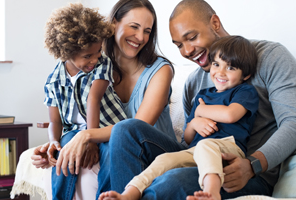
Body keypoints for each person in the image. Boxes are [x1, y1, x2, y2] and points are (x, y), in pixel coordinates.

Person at [100, 0, 296, 199]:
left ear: (215, 23)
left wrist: (253, 165)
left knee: (170, 181)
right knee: (125, 129)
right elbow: (190, 141)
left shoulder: (270, 57)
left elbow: (293, 123)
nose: (186, 51)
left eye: (191, 37)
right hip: (199, 156)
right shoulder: (194, 83)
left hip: (244, 171)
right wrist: (194, 123)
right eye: (179, 46)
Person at [31, 0, 177, 199]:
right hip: (116, 144)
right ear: (113, 24)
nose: (141, 37)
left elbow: (136, 128)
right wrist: (54, 144)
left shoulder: (160, 70)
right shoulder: (94, 64)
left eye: (147, 31)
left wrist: (87, 136)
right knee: (69, 149)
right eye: (134, 27)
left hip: (153, 150)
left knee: (116, 140)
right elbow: (72, 113)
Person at [99, 35, 259, 200]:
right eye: (216, 64)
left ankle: (212, 193)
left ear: (245, 75)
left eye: (231, 68)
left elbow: (230, 114)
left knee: (206, 145)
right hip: (194, 151)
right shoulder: (203, 95)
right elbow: (188, 138)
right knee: (164, 159)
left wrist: (201, 111)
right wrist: (195, 121)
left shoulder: (244, 91)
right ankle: (129, 194)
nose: (221, 72)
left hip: (228, 149)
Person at [42, 3, 127, 200]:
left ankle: (107, 196)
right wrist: (53, 142)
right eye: (87, 56)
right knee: (64, 152)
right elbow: (55, 121)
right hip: (73, 132)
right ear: (66, 53)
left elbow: (93, 99)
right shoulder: (53, 81)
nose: (95, 59)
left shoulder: (102, 63)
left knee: (110, 153)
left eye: (98, 52)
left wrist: (91, 139)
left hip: (107, 127)